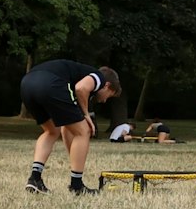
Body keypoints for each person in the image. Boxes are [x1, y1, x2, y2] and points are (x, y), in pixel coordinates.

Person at [20, 60, 121, 195]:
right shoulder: (99, 77)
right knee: (84, 131)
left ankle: (35, 178)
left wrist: (74, 157)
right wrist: (86, 115)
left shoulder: (74, 80)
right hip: (50, 83)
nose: (105, 100)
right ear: (107, 86)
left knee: (51, 131)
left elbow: (67, 128)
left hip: (27, 83)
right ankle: (77, 186)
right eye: (109, 95)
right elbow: (81, 88)